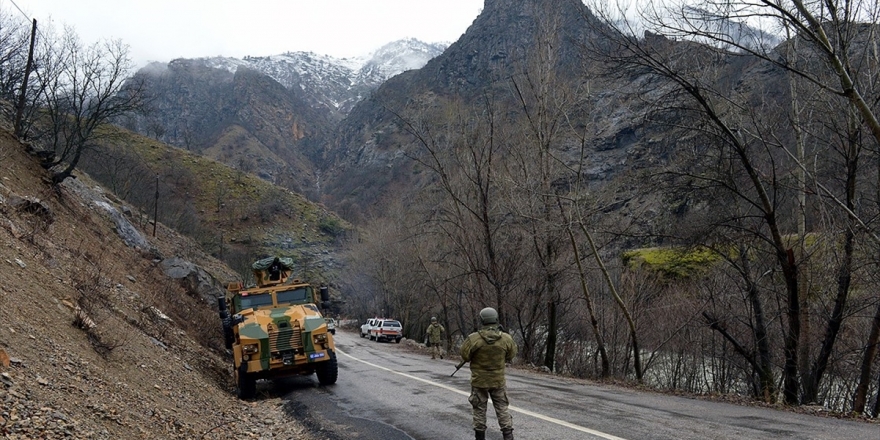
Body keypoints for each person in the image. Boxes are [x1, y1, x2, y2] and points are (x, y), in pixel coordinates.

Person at [459, 307, 517, 440]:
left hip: (479, 381)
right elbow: (511, 354)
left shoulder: (473, 339)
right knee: (502, 410)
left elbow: (465, 356)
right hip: (498, 381)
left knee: (479, 411)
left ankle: (480, 438)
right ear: (496, 319)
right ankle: (508, 436)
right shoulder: (506, 338)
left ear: (482, 320)